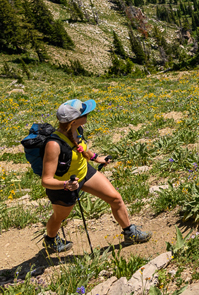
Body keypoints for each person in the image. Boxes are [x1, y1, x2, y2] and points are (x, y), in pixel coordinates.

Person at [41, 98, 151, 253]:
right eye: (85, 114)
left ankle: (130, 233)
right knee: (59, 217)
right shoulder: (53, 145)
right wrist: (66, 184)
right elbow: (46, 180)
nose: (88, 115)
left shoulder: (77, 129)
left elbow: (80, 148)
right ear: (73, 121)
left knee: (115, 198)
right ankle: (51, 240)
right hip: (63, 186)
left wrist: (96, 158)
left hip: (84, 172)